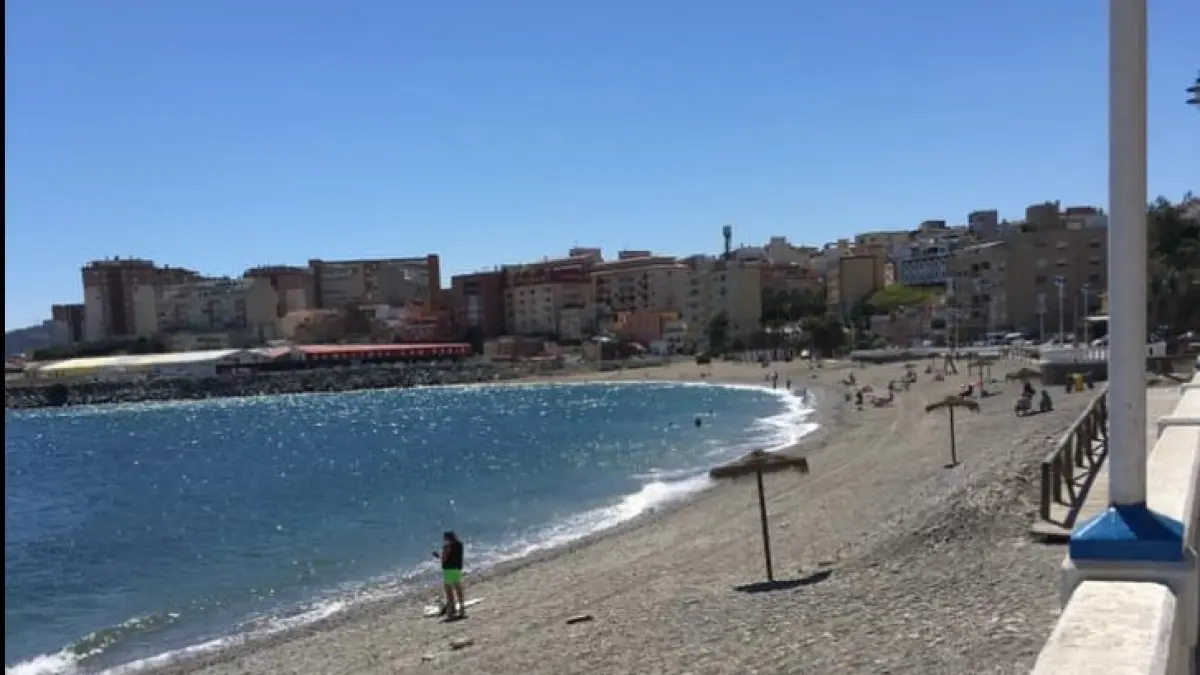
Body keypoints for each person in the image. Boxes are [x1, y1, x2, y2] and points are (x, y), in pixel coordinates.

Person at [433, 531, 466, 619]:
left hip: (448, 570)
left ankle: (451, 612)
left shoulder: (447, 546)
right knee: (458, 589)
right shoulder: (459, 544)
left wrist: (438, 556)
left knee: (449, 592)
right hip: (457, 569)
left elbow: (445, 558)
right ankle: (462, 609)